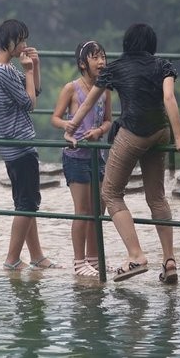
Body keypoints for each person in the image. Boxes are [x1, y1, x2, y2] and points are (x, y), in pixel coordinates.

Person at [65, 23, 180, 283]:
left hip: (134, 132)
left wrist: (72, 129)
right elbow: (169, 98)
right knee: (156, 197)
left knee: (110, 192)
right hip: (160, 130)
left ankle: (136, 255)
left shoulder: (117, 68)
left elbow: (89, 102)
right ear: (151, 44)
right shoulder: (163, 65)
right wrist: (179, 135)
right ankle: (169, 261)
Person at [0, 18, 61, 271]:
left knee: (25, 202)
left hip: (11, 146)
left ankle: (37, 256)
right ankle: (12, 259)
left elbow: (34, 90)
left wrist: (35, 67)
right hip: (20, 144)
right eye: (21, 41)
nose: (24, 46)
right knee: (27, 203)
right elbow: (30, 104)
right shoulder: (3, 71)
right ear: (10, 42)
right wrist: (28, 71)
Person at [51, 40, 112, 276]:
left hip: (98, 155)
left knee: (99, 209)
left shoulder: (106, 89)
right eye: (95, 57)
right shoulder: (71, 88)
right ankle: (79, 262)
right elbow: (55, 118)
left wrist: (99, 131)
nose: (101, 62)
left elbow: (108, 119)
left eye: (103, 57)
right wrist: (69, 125)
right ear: (82, 63)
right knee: (83, 210)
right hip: (76, 155)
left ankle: (94, 259)